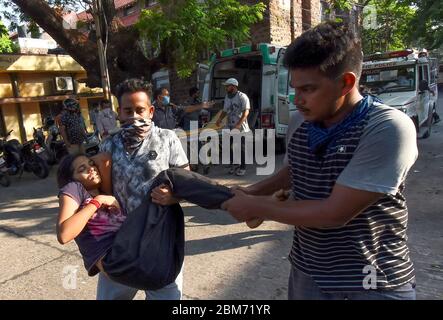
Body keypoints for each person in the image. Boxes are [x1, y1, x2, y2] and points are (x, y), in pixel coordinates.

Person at [222, 21, 418, 300]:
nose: (297, 99)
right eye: (294, 88)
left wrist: (255, 205)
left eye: (308, 89)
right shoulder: (301, 121)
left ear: (346, 83)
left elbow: (334, 213)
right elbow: (293, 170)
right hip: (308, 273)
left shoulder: (387, 127)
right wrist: (252, 191)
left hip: (371, 282)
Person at [96, 78, 190, 300]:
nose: (134, 116)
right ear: (119, 112)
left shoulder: (167, 139)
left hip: (160, 237)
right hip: (119, 239)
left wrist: (173, 196)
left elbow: (187, 179)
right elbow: (100, 189)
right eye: (128, 111)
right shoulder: (109, 144)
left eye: (140, 110)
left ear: (151, 111)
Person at [215, 78, 250, 176]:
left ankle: (242, 167)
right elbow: (225, 110)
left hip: (240, 127)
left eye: (227, 86)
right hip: (229, 125)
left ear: (234, 86)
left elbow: (246, 112)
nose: (226, 87)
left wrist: (238, 125)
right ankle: (234, 165)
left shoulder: (242, 96)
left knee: (240, 147)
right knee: (229, 147)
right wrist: (219, 119)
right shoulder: (227, 97)